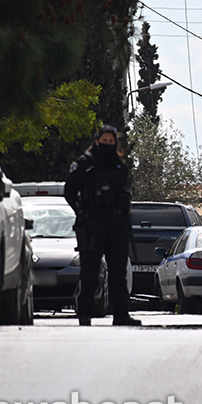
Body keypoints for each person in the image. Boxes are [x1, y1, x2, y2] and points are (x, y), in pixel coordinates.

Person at [64, 125, 141, 326]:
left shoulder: (120, 165)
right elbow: (69, 192)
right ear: (97, 141)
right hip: (92, 223)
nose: (107, 144)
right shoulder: (85, 163)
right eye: (104, 141)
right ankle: (84, 314)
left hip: (116, 223)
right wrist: (82, 212)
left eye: (111, 141)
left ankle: (121, 315)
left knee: (118, 271)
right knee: (90, 271)